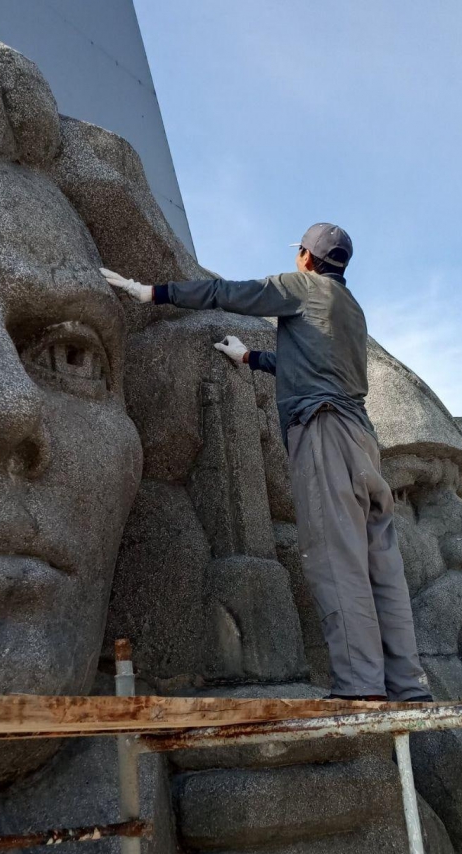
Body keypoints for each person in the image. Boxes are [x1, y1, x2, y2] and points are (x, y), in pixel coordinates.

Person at [101, 222, 432, 702]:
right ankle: (408, 686)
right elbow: (309, 366)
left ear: (306, 257)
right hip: (363, 439)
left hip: (323, 431)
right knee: (383, 565)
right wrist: (249, 358)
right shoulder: (351, 308)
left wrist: (153, 292)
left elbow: (231, 293)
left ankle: (361, 687)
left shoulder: (302, 286)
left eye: (300, 253)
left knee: (336, 559)